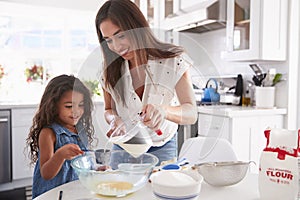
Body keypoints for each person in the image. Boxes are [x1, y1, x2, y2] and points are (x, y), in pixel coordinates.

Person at [95, 0, 197, 164]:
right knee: (118, 188)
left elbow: (191, 113)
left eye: (121, 35)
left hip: (162, 146)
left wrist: (164, 111)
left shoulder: (172, 61)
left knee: (158, 188)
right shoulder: (108, 69)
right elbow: (109, 109)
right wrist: (114, 120)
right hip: (124, 145)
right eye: (109, 40)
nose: (117, 46)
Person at [26, 74, 97, 198]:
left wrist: (96, 170)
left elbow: (83, 163)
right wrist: (60, 155)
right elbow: (46, 173)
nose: (76, 111)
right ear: (53, 106)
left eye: (80, 105)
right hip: (52, 195)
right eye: (69, 106)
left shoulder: (80, 131)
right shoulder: (49, 133)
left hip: (73, 193)